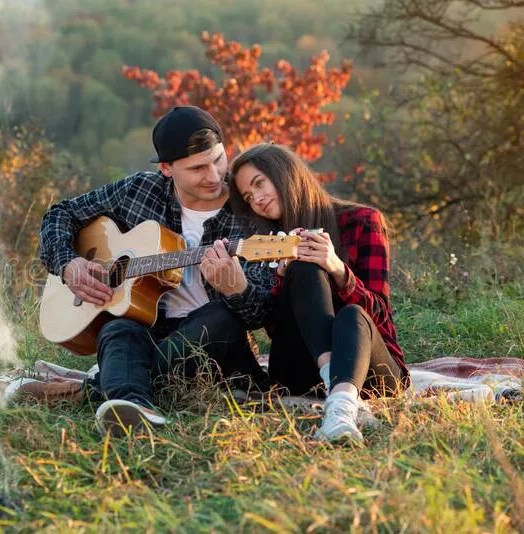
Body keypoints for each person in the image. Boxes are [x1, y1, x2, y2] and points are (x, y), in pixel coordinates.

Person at [39, 106, 274, 436]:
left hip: (213, 341)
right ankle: (132, 409)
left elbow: (261, 312)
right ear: (166, 168)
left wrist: (238, 289)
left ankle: (105, 383)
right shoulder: (139, 190)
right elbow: (60, 214)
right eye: (197, 168)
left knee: (220, 318)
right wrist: (68, 263)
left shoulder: (249, 212)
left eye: (218, 159)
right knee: (117, 330)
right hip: (150, 331)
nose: (214, 175)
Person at [228, 143, 410, 443]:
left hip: (372, 372)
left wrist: (338, 270)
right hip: (303, 373)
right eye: (248, 197)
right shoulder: (272, 242)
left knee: (352, 314)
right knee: (302, 267)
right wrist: (283, 280)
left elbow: (378, 313)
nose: (256, 200)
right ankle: (336, 391)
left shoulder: (363, 221)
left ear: (285, 173)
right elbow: (275, 331)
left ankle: (340, 404)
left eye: (259, 183)